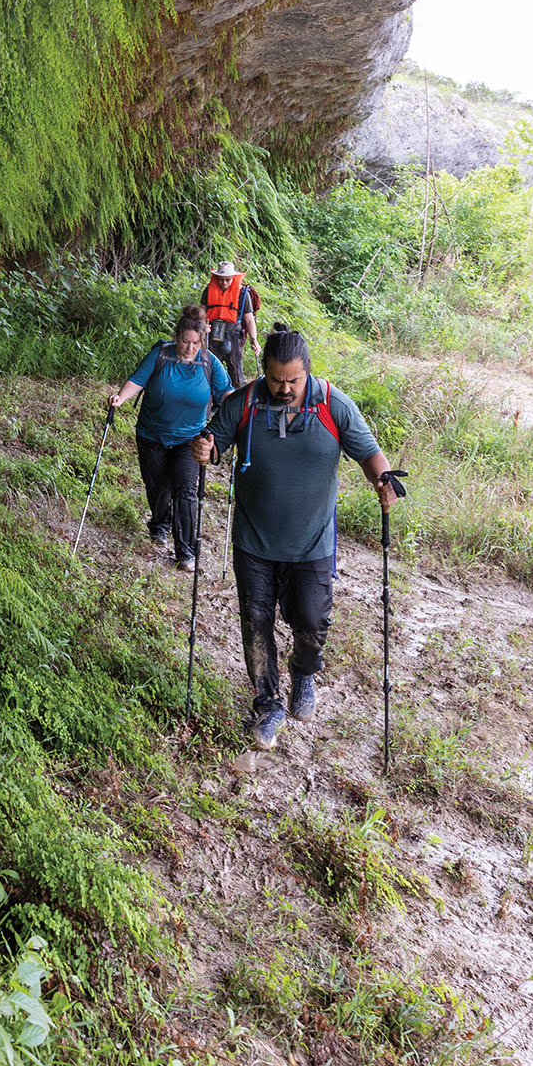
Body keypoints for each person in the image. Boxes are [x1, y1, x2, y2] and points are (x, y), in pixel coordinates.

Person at [192, 322, 402, 750]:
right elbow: (216, 445)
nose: (284, 388)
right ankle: (268, 703)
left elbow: (369, 454)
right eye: (275, 379)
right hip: (254, 542)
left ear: (307, 371)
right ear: (263, 371)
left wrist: (384, 481)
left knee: (311, 621)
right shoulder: (244, 402)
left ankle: (304, 675)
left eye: (293, 380)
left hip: (312, 543)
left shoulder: (333, 404)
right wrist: (206, 450)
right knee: (256, 623)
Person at [108, 306, 232, 575]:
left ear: (202, 341)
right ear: (177, 337)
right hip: (152, 435)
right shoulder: (161, 354)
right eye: (185, 342)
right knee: (157, 486)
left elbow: (226, 394)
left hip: (190, 438)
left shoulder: (210, 362)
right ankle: (160, 524)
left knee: (186, 491)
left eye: (195, 343)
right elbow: (138, 380)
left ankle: (186, 551)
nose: (189, 348)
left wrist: (242, 403)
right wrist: (120, 398)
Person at [201, 260, 261, 389]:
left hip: (234, 336)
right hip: (213, 334)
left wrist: (254, 340)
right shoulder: (209, 290)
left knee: (235, 371)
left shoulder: (243, 294)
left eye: (227, 280)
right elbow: (201, 312)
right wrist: (201, 328)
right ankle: (211, 401)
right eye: (221, 279)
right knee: (210, 369)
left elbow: (249, 319)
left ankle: (237, 401)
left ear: (233, 278)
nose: (224, 282)